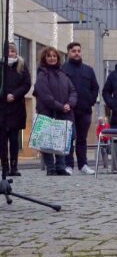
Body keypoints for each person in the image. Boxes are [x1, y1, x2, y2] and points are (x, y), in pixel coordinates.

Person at [33, 47, 77, 176]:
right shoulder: (42, 74)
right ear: (44, 58)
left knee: (61, 140)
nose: (52, 58)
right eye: (49, 56)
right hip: (47, 112)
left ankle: (60, 166)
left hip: (64, 113)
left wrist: (69, 104)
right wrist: (60, 106)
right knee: (47, 142)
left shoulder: (63, 74)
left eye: (54, 56)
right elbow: (45, 95)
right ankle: (50, 168)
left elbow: (73, 91)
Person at [61, 42, 99, 175]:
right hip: (68, 110)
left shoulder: (88, 70)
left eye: (78, 51)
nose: (77, 53)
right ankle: (68, 165)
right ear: (68, 53)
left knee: (82, 139)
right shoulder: (62, 69)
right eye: (73, 51)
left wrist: (90, 101)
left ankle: (83, 165)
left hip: (85, 110)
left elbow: (95, 88)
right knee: (69, 138)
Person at [0, 43, 31, 176]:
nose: (10, 53)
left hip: (16, 108)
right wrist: (4, 95)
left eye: (12, 51)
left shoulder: (22, 66)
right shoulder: (1, 66)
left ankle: (14, 166)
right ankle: (4, 166)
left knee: (14, 140)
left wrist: (15, 95)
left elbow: (27, 84)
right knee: (2, 141)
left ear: (16, 52)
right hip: (2, 108)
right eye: (7, 51)